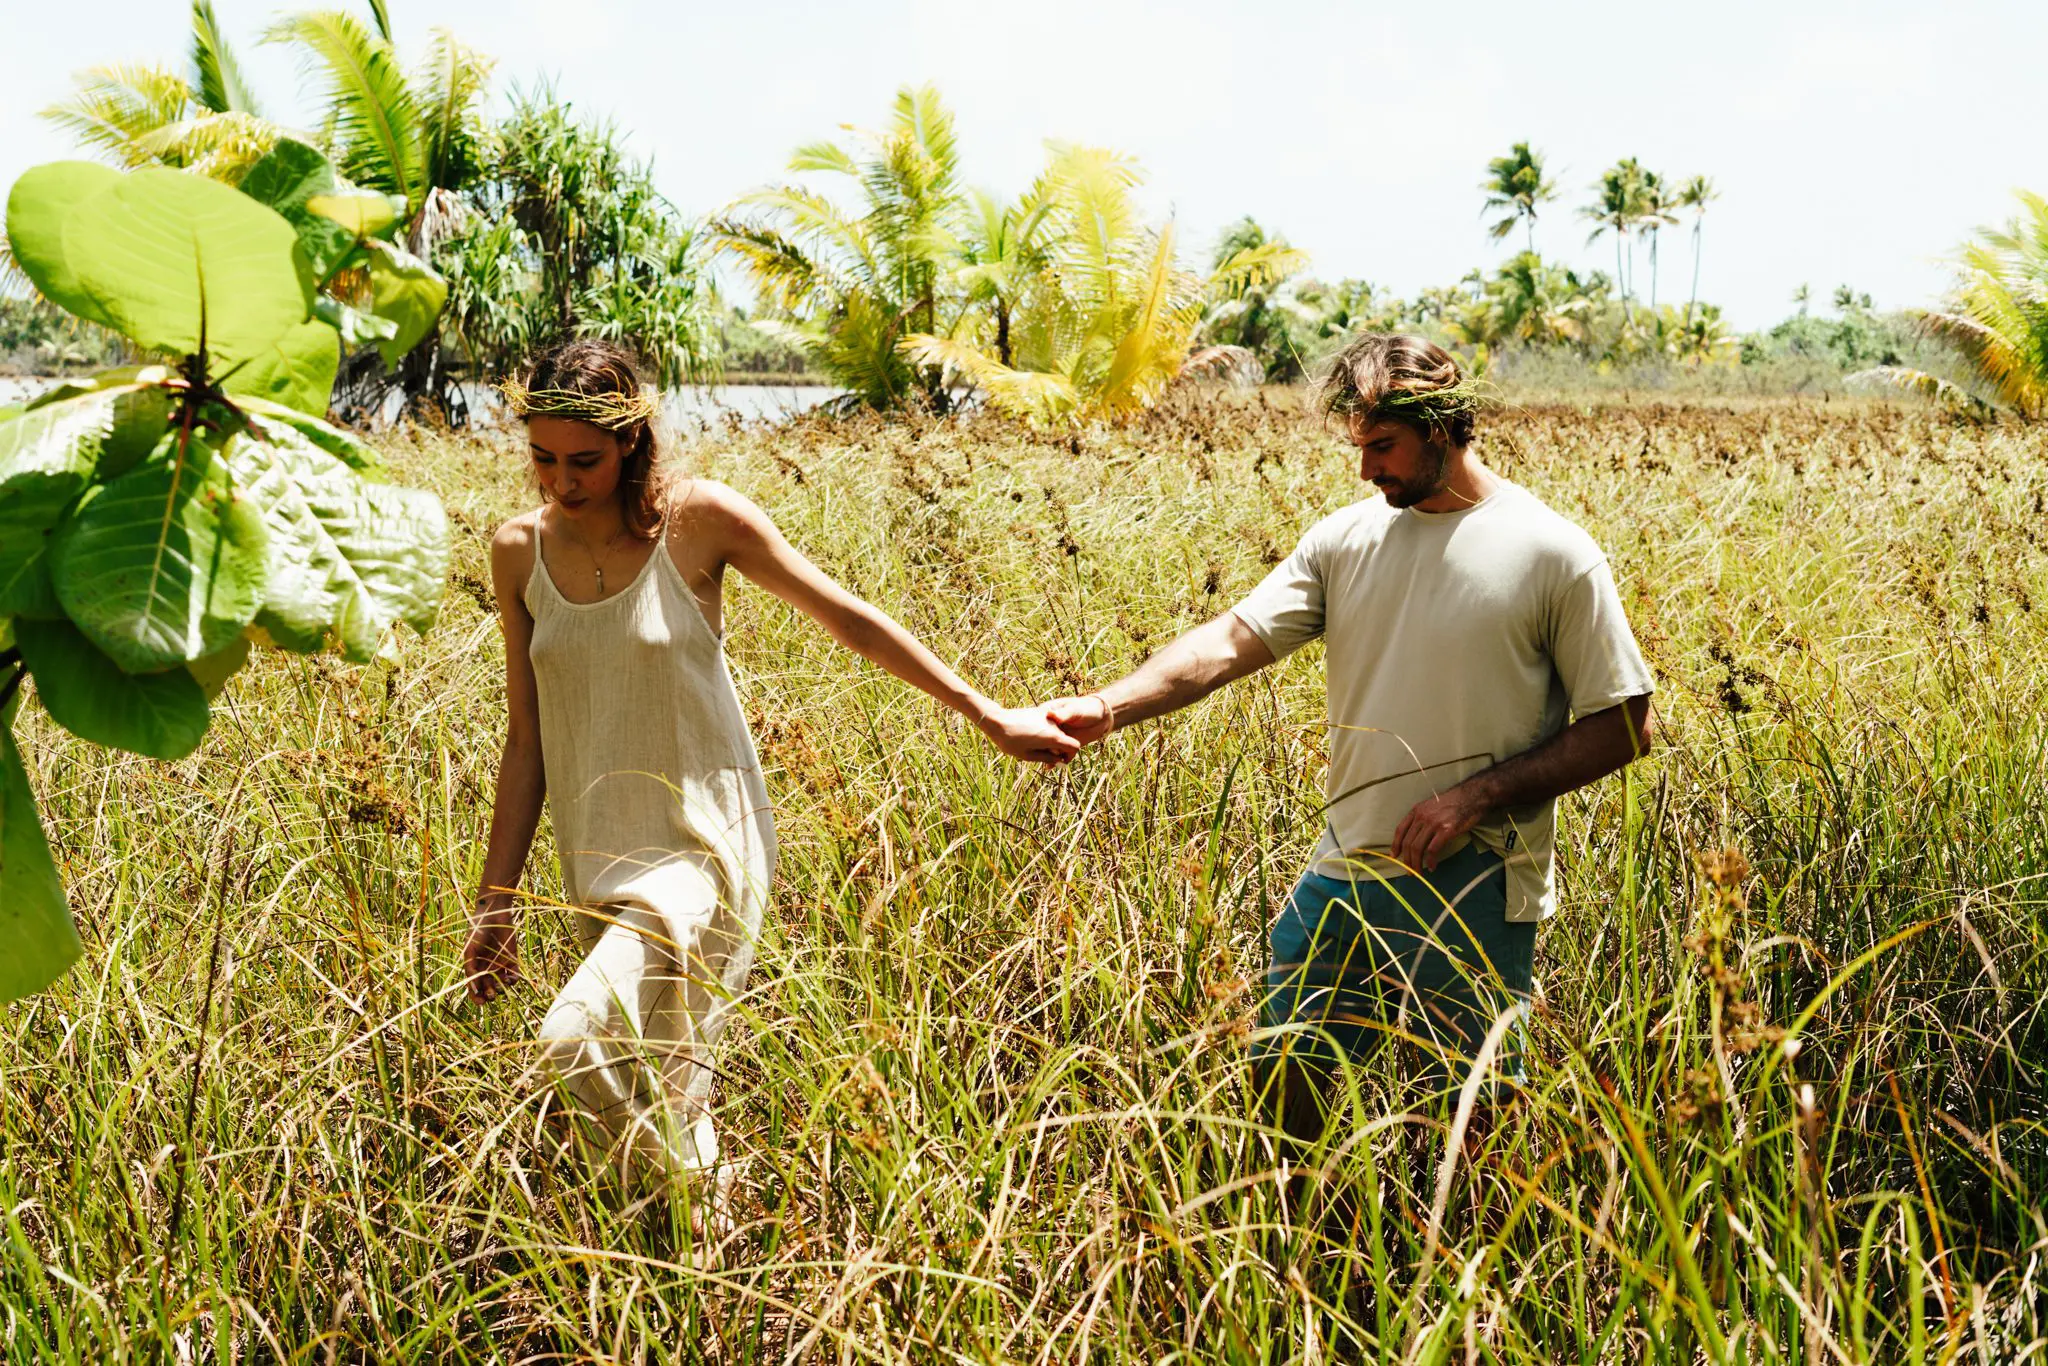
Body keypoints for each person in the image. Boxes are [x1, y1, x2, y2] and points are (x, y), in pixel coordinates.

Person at [463, 340, 1078, 1193]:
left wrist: (987, 713)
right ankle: (693, 1261)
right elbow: (524, 740)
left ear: (633, 443)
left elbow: (848, 619)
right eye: (541, 458)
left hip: (702, 846)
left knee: (570, 1038)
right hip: (596, 856)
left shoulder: (700, 523)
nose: (560, 483)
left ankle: (673, 1228)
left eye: (584, 461)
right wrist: (495, 907)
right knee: (664, 1087)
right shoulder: (517, 553)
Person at [1043, 332, 1655, 1135]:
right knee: (1282, 1067)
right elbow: (1230, 643)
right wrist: (1109, 706)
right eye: (1360, 447)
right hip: (1347, 866)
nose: (1367, 469)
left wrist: (1475, 798)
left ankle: (1458, 1252)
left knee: (1470, 1110)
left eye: (1382, 446)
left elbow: (1625, 725)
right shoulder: (1345, 540)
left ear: (1441, 427)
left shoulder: (1553, 553)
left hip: (1476, 880)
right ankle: (1308, 1243)